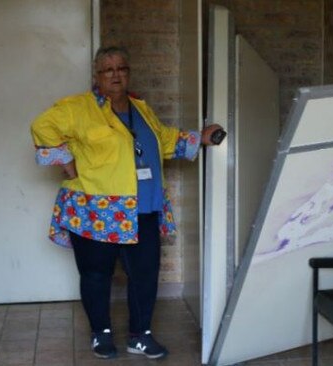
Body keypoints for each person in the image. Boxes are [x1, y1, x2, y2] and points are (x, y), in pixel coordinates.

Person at [30, 46, 222, 360]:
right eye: (108, 70)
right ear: (97, 75)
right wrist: (66, 160)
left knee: (145, 273)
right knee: (96, 274)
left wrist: (199, 137)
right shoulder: (78, 108)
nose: (116, 74)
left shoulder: (140, 107)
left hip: (143, 206)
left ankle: (141, 335)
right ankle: (101, 334)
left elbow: (162, 139)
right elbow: (42, 127)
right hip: (96, 208)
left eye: (122, 68)